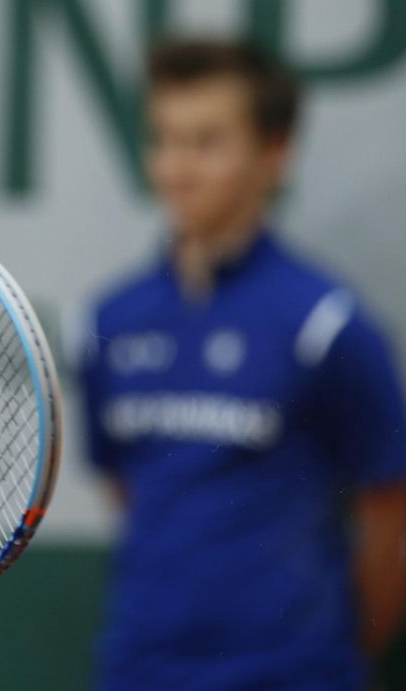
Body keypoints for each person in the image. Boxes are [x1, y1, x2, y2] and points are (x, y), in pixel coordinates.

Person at [78, 38, 406, 689]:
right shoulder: (110, 319)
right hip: (143, 668)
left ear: (273, 153)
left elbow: (389, 510)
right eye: (165, 139)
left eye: (207, 142)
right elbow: (130, 490)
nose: (178, 166)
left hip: (291, 672)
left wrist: (333, 654)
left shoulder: (324, 324)